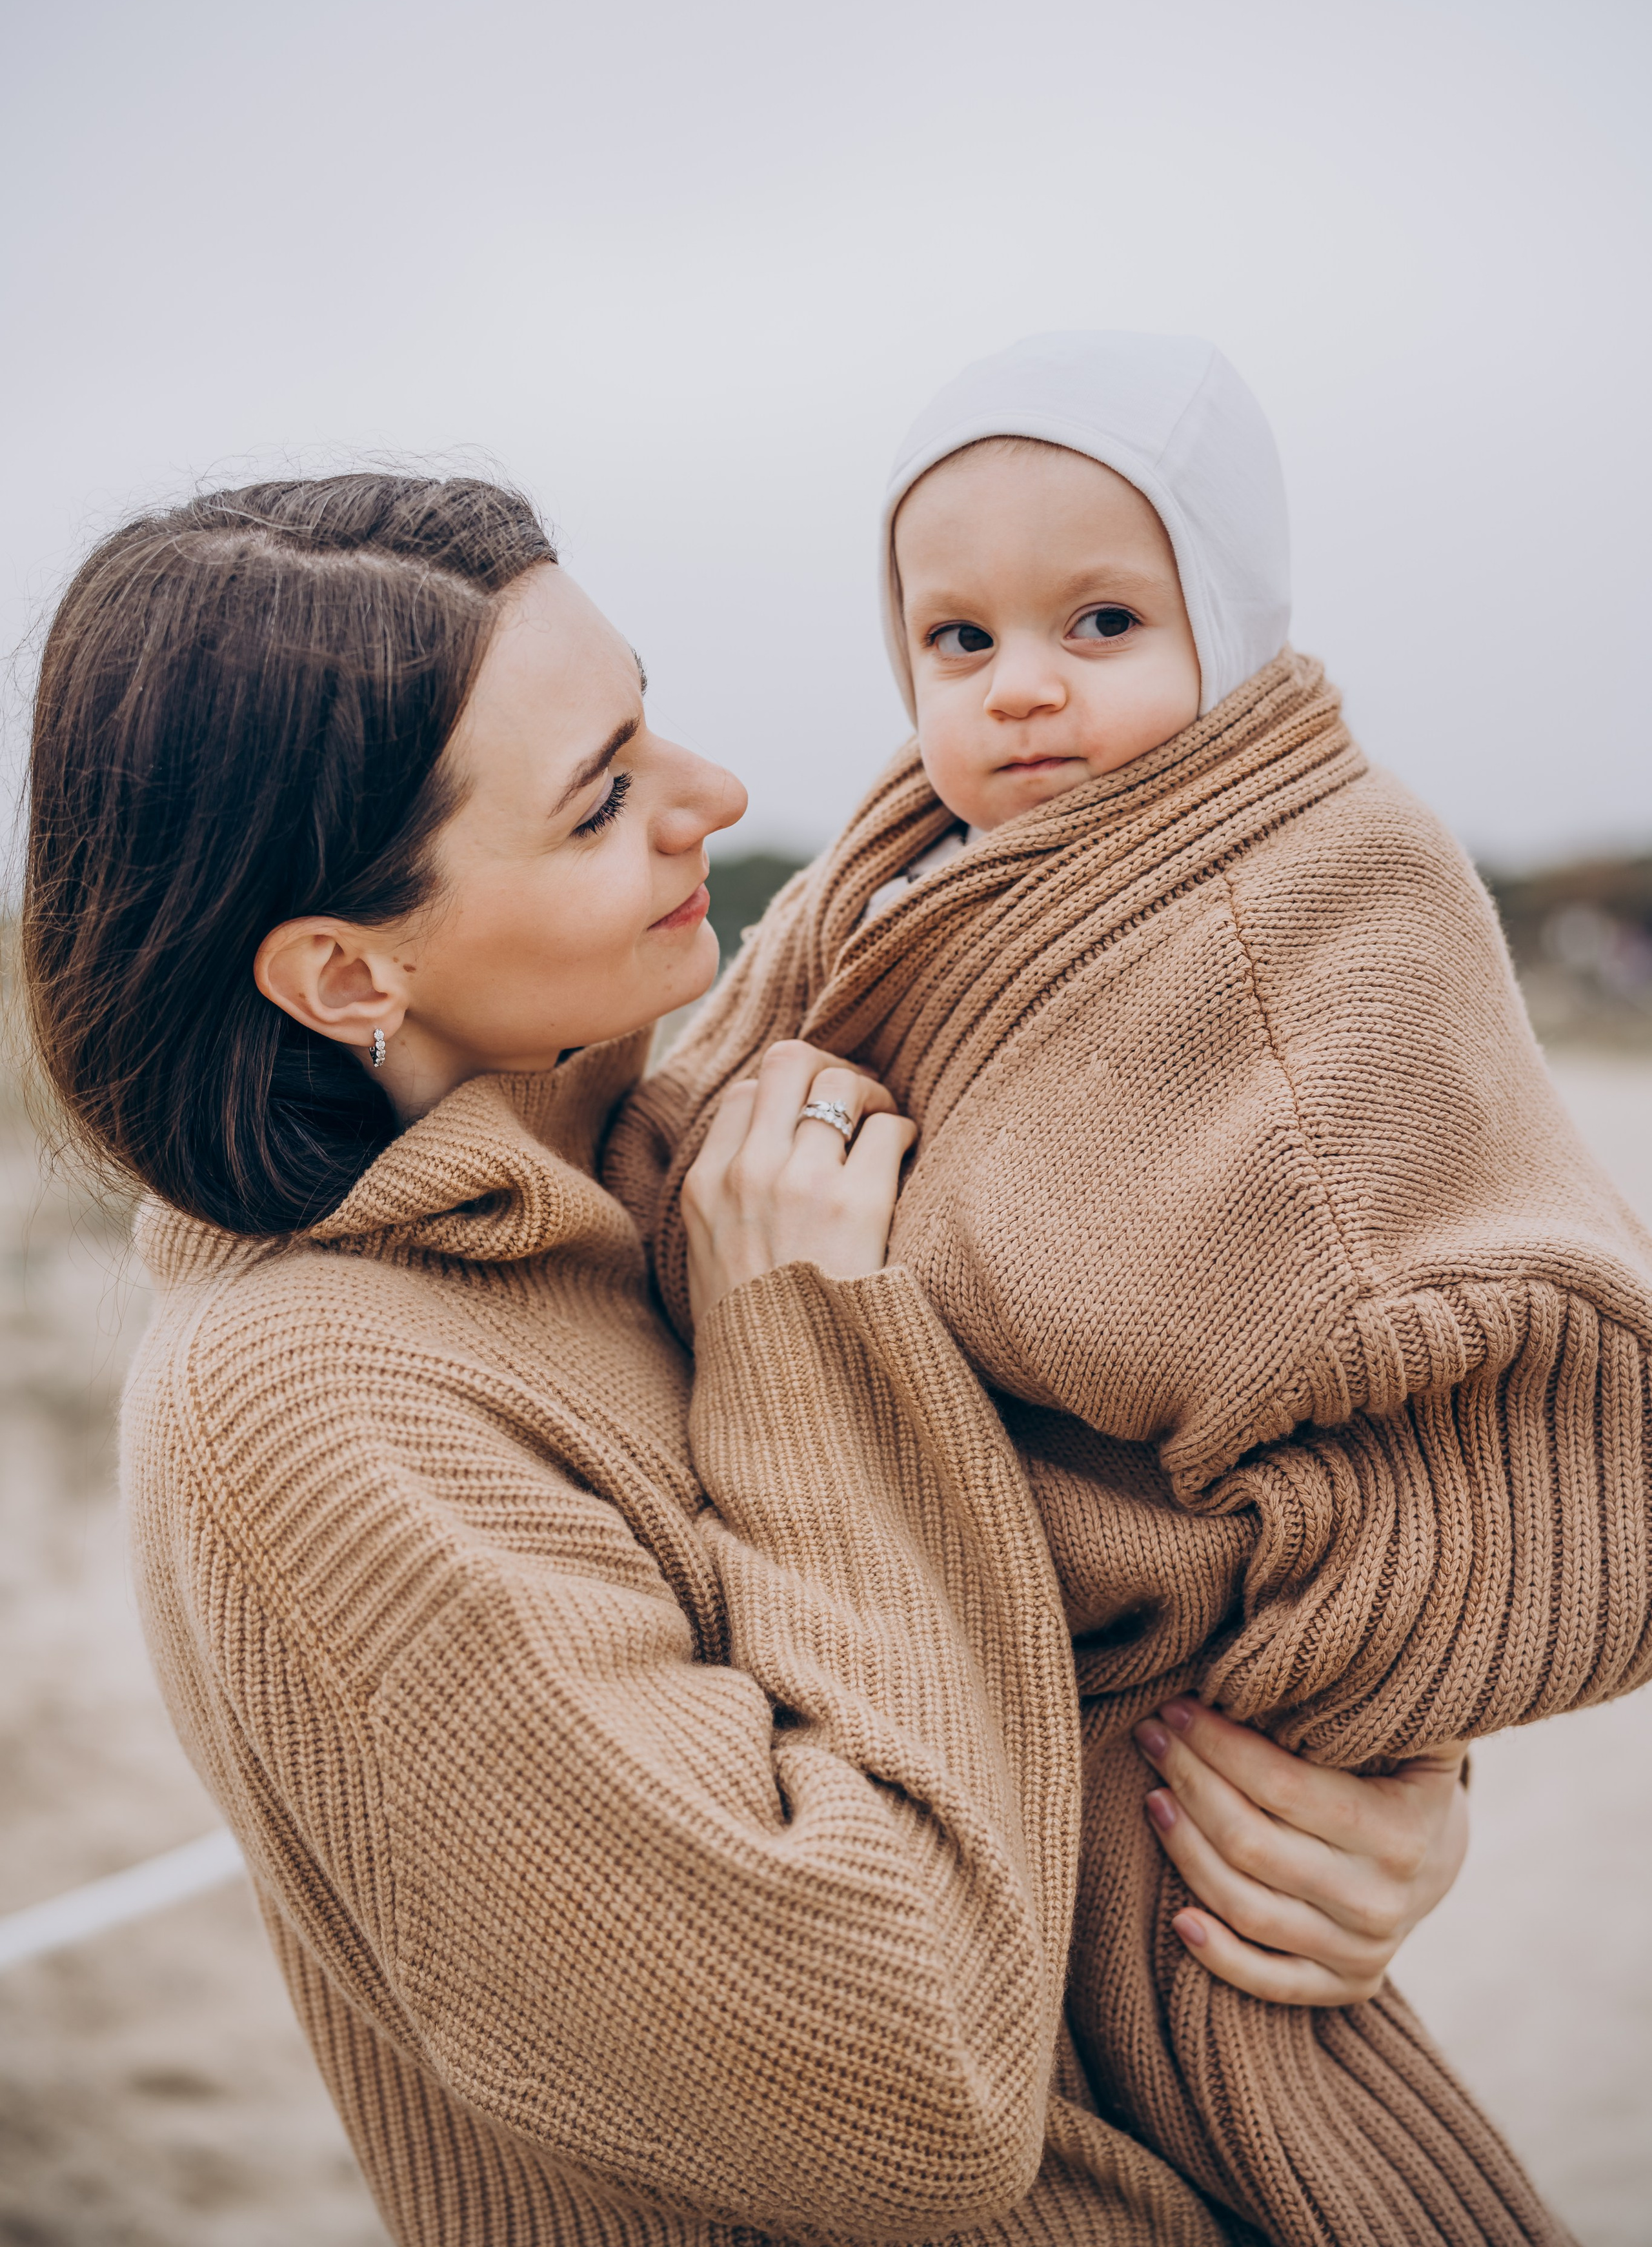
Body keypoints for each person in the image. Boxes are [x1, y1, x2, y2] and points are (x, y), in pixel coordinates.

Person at [20, 474, 1478, 2247]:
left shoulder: (712, 1122)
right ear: (344, 975)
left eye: (648, 716)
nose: (709, 799)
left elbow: (1150, 1521)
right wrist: (809, 1350)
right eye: (600, 802)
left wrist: (1366, 1802)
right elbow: (907, 2082)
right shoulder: (307, 1418)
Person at [610, 335, 1652, 2247]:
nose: (1020, 689)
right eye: (957, 639)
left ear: (1232, 624)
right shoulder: (889, 869)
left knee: (1226, 2136)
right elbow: (691, 1099)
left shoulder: (1332, 893)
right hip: (888, 1649)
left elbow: (1505, 1349)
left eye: (1100, 619)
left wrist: (1345, 1719)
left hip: (1133, 1710)